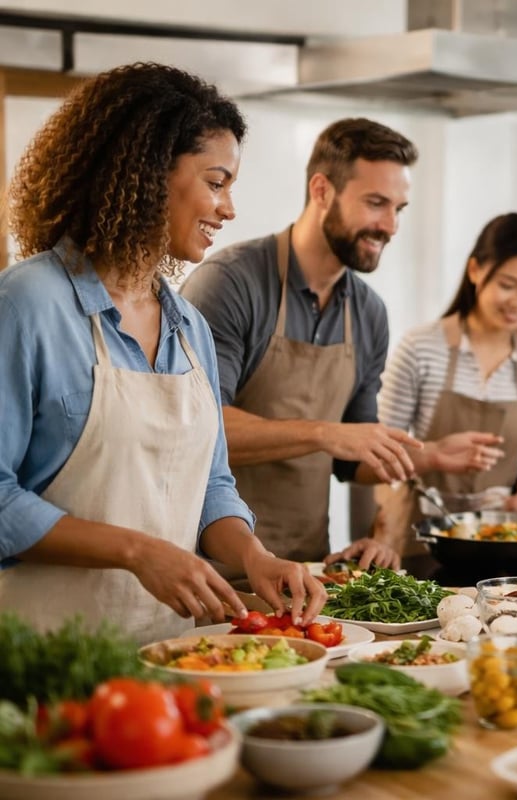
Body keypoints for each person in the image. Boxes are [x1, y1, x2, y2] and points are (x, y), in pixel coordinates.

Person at [0, 62, 325, 644]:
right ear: (148, 174)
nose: (228, 210)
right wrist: (137, 551)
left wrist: (255, 556)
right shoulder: (27, 305)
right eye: (216, 181)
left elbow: (210, 487)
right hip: (45, 658)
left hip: (171, 653)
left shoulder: (188, 326)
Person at [181, 118, 419, 571]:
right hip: (209, 570)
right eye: (375, 203)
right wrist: (324, 432)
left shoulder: (369, 313)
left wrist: (428, 457)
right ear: (322, 190)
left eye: (399, 209)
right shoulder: (230, 284)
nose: (389, 226)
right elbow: (198, 430)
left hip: (306, 571)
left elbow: (352, 459)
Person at [372, 213, 517, 549]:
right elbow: (384, 449)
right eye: (507, 285)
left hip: (499, 536)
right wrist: (383, 530)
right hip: (420, 533)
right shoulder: (421, 347)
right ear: (475, 270)